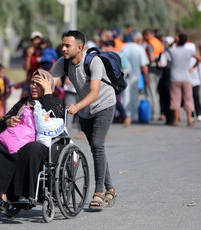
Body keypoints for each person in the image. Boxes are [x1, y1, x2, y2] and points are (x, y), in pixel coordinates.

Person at [51, 30, 117, 209]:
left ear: (79, 48)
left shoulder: (93, 61)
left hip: (104, 104)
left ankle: (99, 192)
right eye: (62, 45)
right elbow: (51, 83)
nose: (63, 48)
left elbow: (95, 92)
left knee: (97, 145)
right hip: (85, 110)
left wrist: (77, 107)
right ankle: (110, 188)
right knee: (97, 148)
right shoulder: (62, 63)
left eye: (67, 46)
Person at [0, 69, 63, 209]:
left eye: (39, 84)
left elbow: (56, 119)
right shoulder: (23, 103)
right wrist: (8, 122)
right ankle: (1, 197)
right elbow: (0, 125)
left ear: (47, 86)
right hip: (16, 144)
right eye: (32, 83)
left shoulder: (54, 102)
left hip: (39, 147)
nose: (33, 86)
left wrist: (48, 92)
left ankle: (24, 195)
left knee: (31, 148)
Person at [168, 33, 201, 126]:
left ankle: (175, 120)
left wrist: (174, 42)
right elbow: (199, 58)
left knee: (175, 99)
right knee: (188, 98)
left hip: (175, 78)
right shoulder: (188, 51)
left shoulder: (173, 50)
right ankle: (189, 119)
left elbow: (167, 47)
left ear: (178, 40)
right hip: (186, 77)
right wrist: (193, 67)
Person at [120, 32, 150, 126]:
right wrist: (146, 79)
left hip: (124, 75)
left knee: (125, 96)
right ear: (139, 40)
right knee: (134, 97)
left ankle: (125, 116)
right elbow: (144, 66)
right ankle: (131, 116)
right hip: (135, 77)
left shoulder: (124, 47)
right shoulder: (140, 49)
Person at [143, 29, 164, 120]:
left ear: (147, 35)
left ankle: (153, 114)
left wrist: (145, 60)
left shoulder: (150, 44)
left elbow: (151, 58)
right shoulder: (158, 42)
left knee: (150, 92)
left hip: (151, 70)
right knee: (155, 93)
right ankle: (157, 112)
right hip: (159, 70)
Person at [185, 42, 201, 122]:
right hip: (187, 81)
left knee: (196, 97)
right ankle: (192, 114)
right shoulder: (185, 59)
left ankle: (199, 113)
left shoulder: (196, 59)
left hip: (195, 81)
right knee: (189, 99)